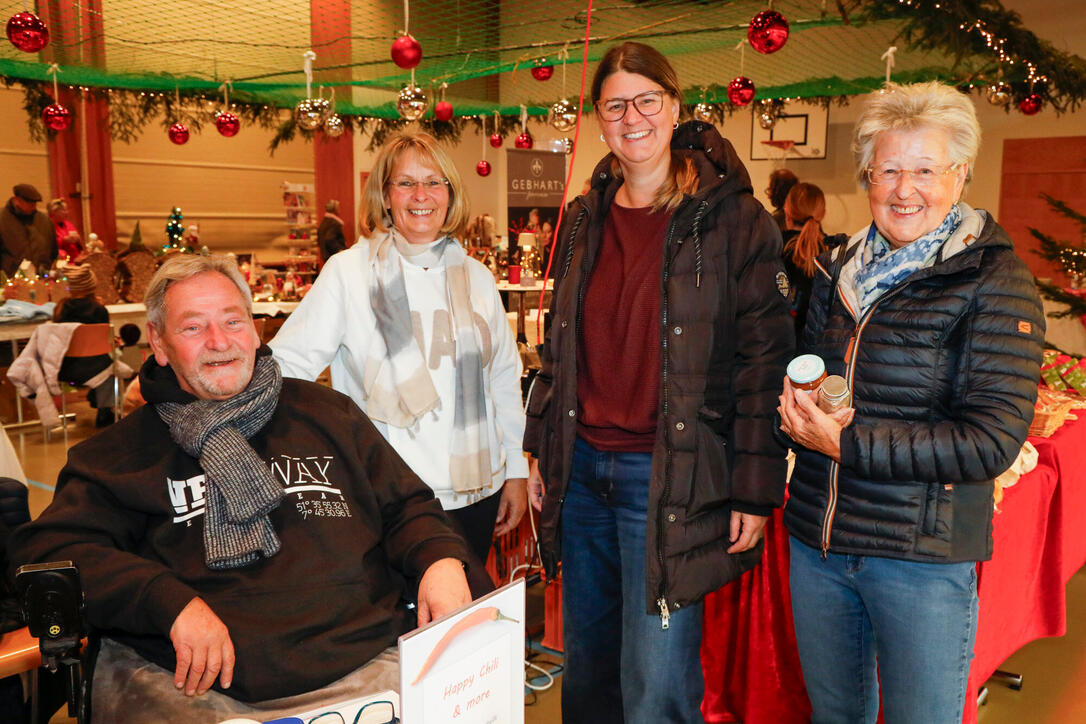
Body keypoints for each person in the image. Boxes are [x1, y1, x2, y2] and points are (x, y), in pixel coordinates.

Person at [10, 254, 473, 722]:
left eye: (233, 321)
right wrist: (167, 601)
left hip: (365, 667)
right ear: (159, 343)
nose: (219, 342)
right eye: (193, 328)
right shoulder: (120, 455)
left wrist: (438, 559)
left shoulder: (330, 415)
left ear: (254, 330)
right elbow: (50, 553)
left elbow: (408, 507)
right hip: (195, 692)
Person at [523, 41, 794, 723]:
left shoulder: (733, 220)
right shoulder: (585, 216)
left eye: (648, 100)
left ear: (674, 108)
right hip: (582, 475)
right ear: (599, 117)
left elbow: (764, 363)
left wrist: (755, 490)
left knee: (657, 685)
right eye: (615, 104)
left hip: (670, 477)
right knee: (587, 672)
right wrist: (539, 448)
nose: (632, 116)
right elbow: (561, 347)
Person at [777, 81, 1045, 723]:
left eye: (925, 170)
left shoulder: (995, 280)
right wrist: (795, 415)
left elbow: (989, 441)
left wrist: (846, 442)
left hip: (920, 560)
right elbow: (808, 379)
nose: (904, 189)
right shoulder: (839, 270)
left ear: (960, 176)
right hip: (821, 544)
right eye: (889, 169)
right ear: (867, 175)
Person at [270, 132, 528, 581]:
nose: (421, 195)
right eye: (405, 183)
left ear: (451, 193)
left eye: (434, 181)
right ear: (385, 196)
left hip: (477, 492)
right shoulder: (349, 274)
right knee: (405, 636)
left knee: (463, 631)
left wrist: (517, 471)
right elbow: (286, 368)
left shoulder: (477, 276)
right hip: (391, 500)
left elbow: (504, 378)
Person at [780, 182, 845, 342]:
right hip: (821, 344)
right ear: (822, 214)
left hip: (780, 341)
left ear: (786, 210)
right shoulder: (836, 251)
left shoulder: (774, 246)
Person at [53, 264, 117, 427]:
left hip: (66, 368)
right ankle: (104, 408)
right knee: (110, 362)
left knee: (102, 360)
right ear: (91, 286)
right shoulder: (99, 310)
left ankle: (96, 399)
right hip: (97, 367)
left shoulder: (60, 309)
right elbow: (105, 341)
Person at [0, 183, 57, 275]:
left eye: (35, 203)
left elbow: (53, 250)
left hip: (42, 278)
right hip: (11, 281)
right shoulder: (2, 220)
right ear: (16, 200)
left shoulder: (44, 221)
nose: (34, 206)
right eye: (29, 203)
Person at [767, 168, 799, 232]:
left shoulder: (772, 221)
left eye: (770, 189)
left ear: (776, 191)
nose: (769, 194)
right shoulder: (805, 216)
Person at [317, 198, 347, 264]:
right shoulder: (334, 223)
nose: (339, 209)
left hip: (326, 255)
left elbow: (319, 240)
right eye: (338, 207)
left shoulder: (324, 222)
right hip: (334, 256)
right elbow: (329, 239)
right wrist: (339, 250)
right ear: (334, 209)